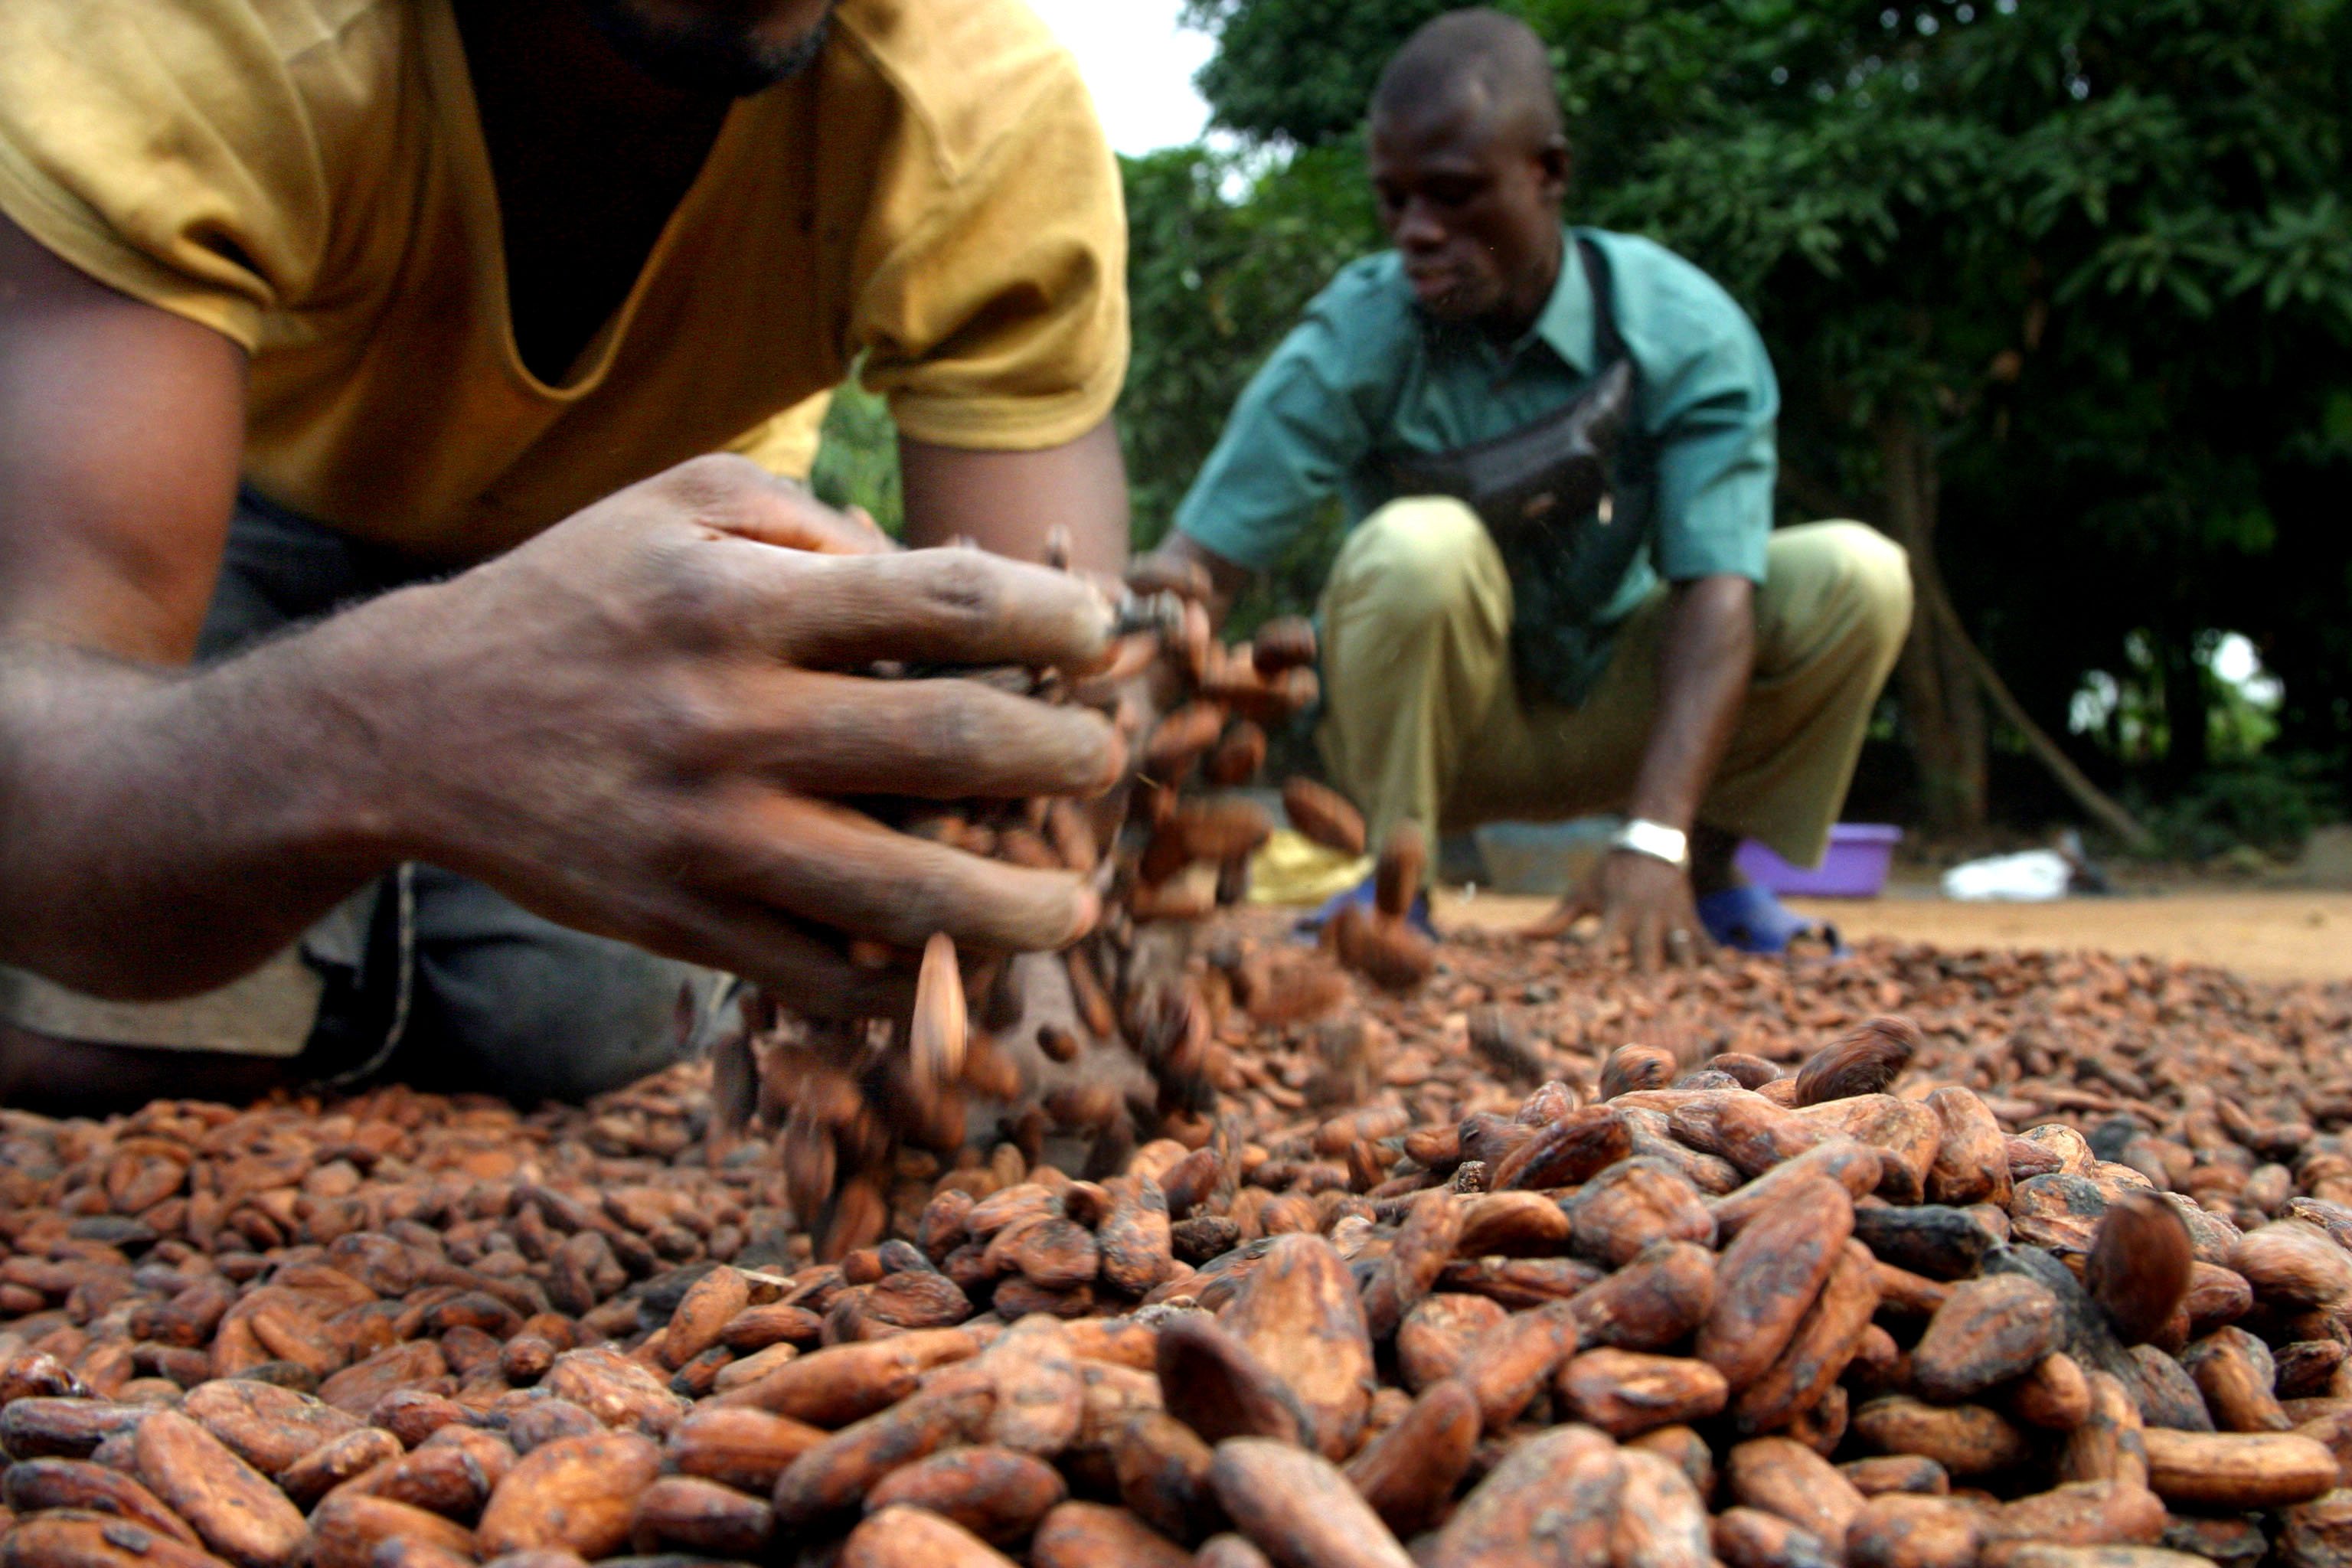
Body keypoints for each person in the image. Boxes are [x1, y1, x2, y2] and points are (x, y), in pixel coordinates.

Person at [0, 0, 1136, 1109]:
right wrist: (393, 726)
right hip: (238, 498)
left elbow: (1048, 719)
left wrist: (1024, 967)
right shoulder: (184, 29)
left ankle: (376, 953)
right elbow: (36, 747)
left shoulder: (984, 110)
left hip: (662, 558)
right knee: (111, 1046)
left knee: (590, 1035)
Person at [1148, 8, 1913, 970]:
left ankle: (1707, 875)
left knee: (1859, 573)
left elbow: (1719, 592)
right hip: (1439, 735)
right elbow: (1195, 569)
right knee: (1419, 543)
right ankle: (1397, 887)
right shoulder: (1359, 330)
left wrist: (1657, 834)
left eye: (1456, 195)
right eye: (1395, 201)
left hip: (1625, 709)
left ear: (1547, 172)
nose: (1419, 233)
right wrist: (1098, 753)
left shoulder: (1678, 327)